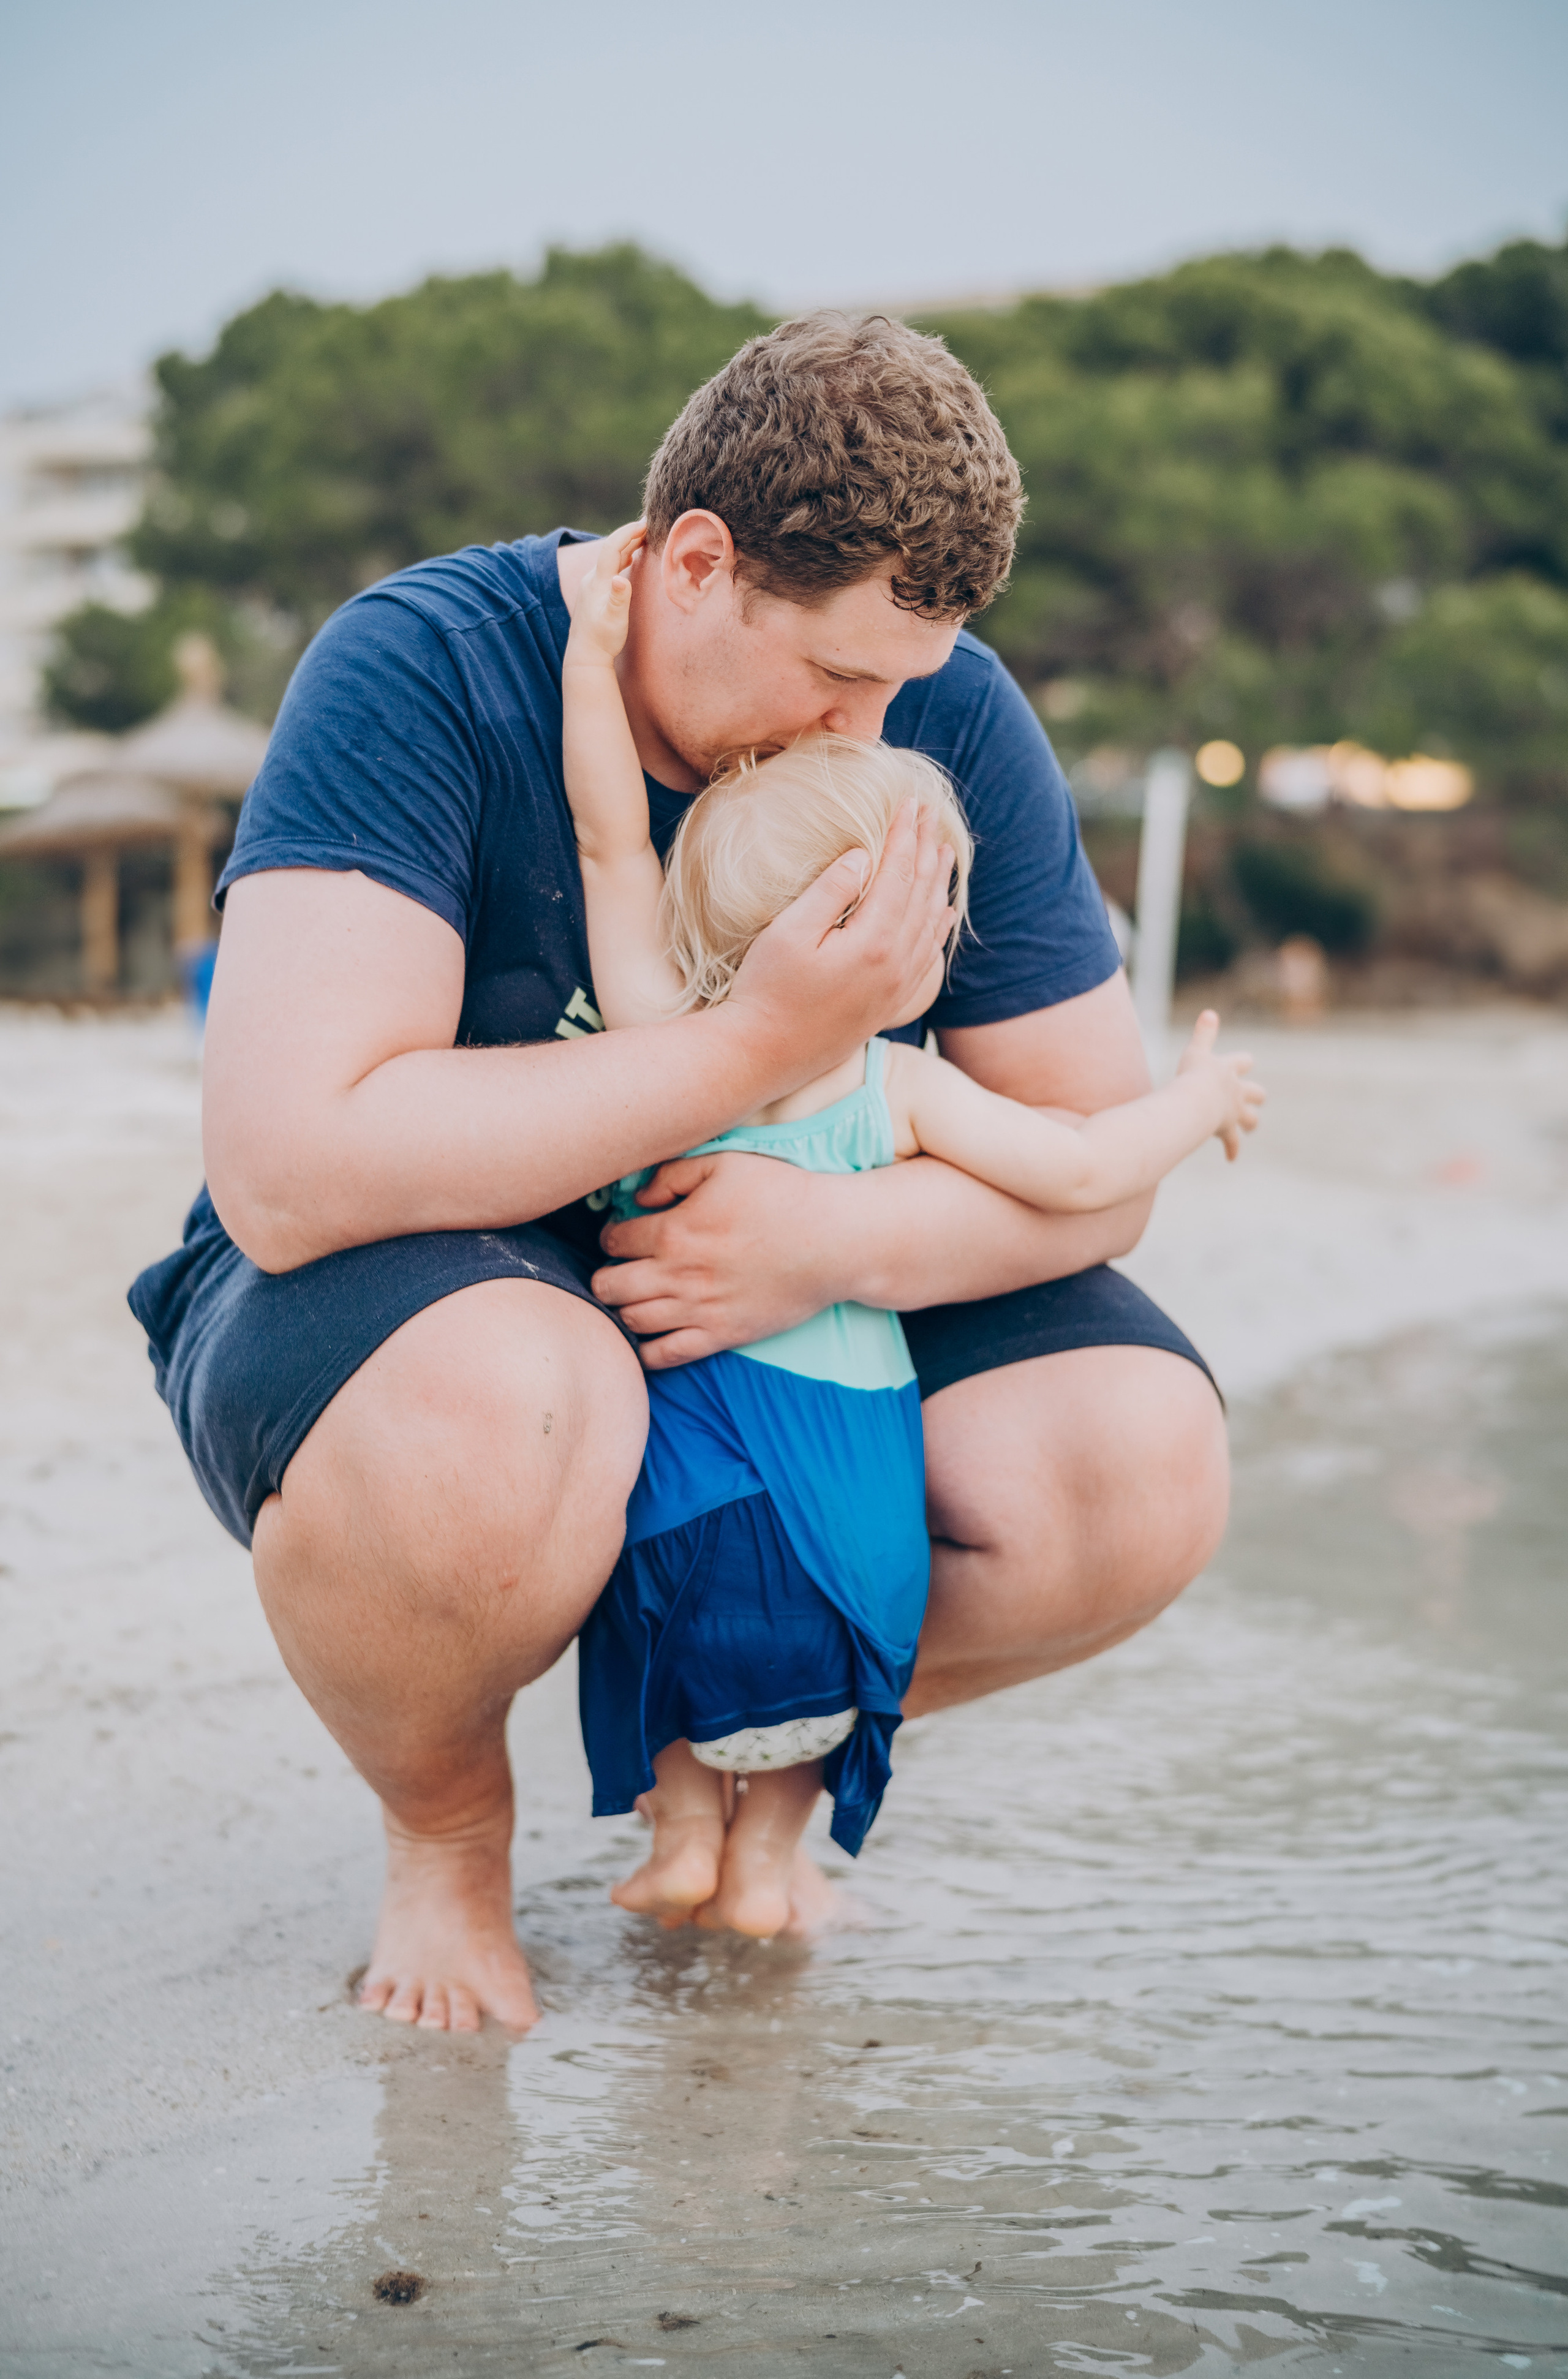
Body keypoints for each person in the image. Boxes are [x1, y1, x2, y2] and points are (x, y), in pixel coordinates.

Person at [130, 312, 1234, 2036]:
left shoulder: (939, 708)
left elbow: (1099, 1166)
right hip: (408, 1313)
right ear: (698, 564)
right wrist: (743, 1053)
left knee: (1136, 1464)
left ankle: (715, 1731)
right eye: (839, 680)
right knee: (507, 1409)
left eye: (907, 682)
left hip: (770, 1308)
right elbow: (290, 1168)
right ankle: (448, 1820)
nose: (872, 724)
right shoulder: (426, 660)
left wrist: (831, 1237)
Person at [562, 529, 1262, 1936]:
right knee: (833, 1653)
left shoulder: (655, 1044)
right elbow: (1078, 1168)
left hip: (682, 1506)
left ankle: (678, 1843)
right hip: (846, 1501)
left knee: (681, 1645)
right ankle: (765, 1866)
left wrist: (588, 654)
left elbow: (605, 839)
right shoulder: (894, 1087)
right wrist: (1195, 1102)